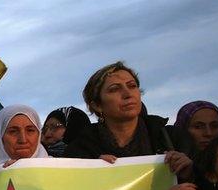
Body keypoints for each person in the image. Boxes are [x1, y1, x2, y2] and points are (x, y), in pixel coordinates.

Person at [65, 62, 194, 181]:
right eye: (114, 89)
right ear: (97, 105)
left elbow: (206, 189)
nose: (127, 94)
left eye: (132, 86)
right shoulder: (78, 150)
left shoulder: (173, 138)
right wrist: (88, 172)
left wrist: (189, 173)